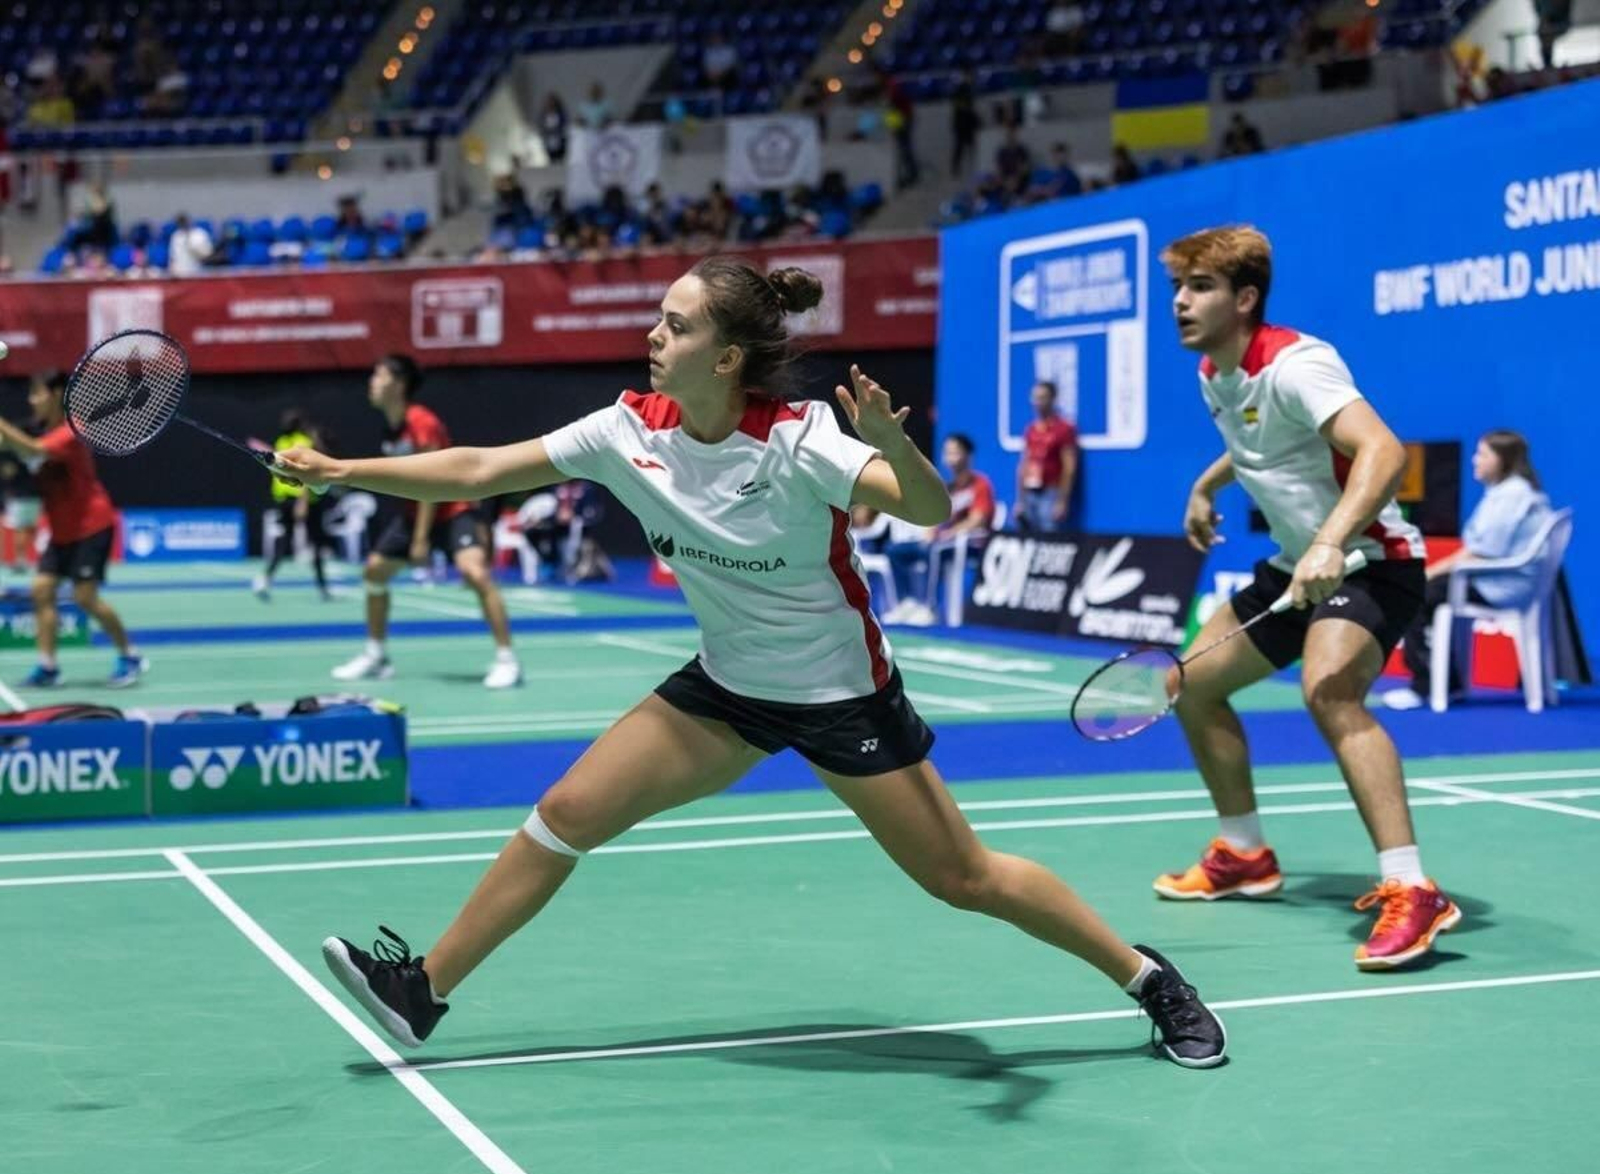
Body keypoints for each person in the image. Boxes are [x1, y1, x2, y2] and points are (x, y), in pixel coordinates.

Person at [281, 258, 1227, 1068]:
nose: (653, 334)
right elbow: (483, 469)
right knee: (566, 812)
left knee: (962, 876)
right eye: (659, 317)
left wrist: (897, 447)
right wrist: (345, 471)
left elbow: (929, 510)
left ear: (726, 358)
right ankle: (425, 988)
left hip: (839, 695)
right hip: (726, 689)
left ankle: (1150, 979)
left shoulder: (796, 437)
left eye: (675, 324)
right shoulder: (628, 428)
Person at [1158, 224, 1457, 970]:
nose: (1180, 303)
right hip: (1299, 564)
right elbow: (1260, 442)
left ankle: (1412, 886)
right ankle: (1246, 852)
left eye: (1199, 288)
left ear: (1246, 298)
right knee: (1190, 685)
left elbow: (1384, 450)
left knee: (1330, 692)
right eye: (1177, 288)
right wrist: (1205, 484)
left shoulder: (1298, 362)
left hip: (1371, 559)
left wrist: (1331, 541)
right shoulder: (1215, 374)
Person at [329, 355, 522, 688]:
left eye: (378, 374)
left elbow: (434, 482)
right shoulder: (392, 427)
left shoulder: (422, 421)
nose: (371, 381)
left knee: (474, 573)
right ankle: (376, 654)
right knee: (374, 572)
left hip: (452, 508)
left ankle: (507, 660)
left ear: (399, 384)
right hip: (414, 512)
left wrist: (420, 540)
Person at [1384, 431, 1552, 710]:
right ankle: (1448, 683)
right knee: (1428, 589)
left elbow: (1480, 552)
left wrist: (1429, 573)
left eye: (1483, 454)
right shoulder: (1513, 491)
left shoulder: (1511, 496)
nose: (1475, 460)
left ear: (1503, 459)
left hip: (1499, 585)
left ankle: (1425, 686)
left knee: (1415, 595)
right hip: (1500, 581)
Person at [0, 370, 145, 687]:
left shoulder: (73, 429)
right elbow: (15, 444)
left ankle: (130, 655)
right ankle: (48, 667)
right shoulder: (40, 429)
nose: (31, 400)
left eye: (37, 394)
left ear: (56, 395)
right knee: (41, 590)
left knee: (85, 597)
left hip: (91, 525)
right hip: (61, 529)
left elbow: (34, 451)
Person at [883, 433, 996, 625]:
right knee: (895, 550)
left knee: (934, 550)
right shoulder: (947, 487)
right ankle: (906, 603)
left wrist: (948, 534)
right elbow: (937, 515)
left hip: (970, 544)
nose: (950, 458)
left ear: (968, 456)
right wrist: (930, 531)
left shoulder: (980, 485)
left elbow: (978, 520)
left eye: (955, 453)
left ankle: (929, 608)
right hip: (942, 541)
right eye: (947, 453)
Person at [253, 409, 335, 602]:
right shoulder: (282, 442)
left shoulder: (304, 443)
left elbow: (308, 475)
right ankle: (265, 579)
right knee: (284, 544)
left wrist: (303, 502)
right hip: (286, 502)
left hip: (304, 502)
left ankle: (323, 587)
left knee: (315, 545)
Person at [1015, 380, 1077, 533]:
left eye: (1043, 397)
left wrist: (1062, 500)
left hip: (1051, 492)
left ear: (1053, 399)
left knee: (1048, 537)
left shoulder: (1064, 429)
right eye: (1035, 397)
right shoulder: (1031, 430)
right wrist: (1020, 500)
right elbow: (1024, 463)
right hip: (1030, 492)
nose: (1038, 402)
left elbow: (1069, 467)